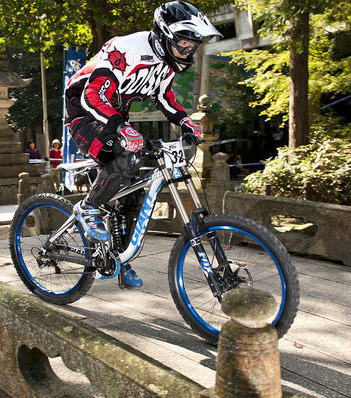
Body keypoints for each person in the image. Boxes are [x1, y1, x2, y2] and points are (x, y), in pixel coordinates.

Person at [64, 1, 221, 287]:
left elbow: (163, 97)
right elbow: (92, 98)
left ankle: (119, 262)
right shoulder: (126, 50)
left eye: (192, 47)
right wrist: (123, 128)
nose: (187, 53)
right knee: (125, 156)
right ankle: (89, 207)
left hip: (114, 112)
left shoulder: (167, 62)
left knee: (135, 189)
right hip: (84, 110)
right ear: (163, 37)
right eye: (183, 45)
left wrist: (185, 121)